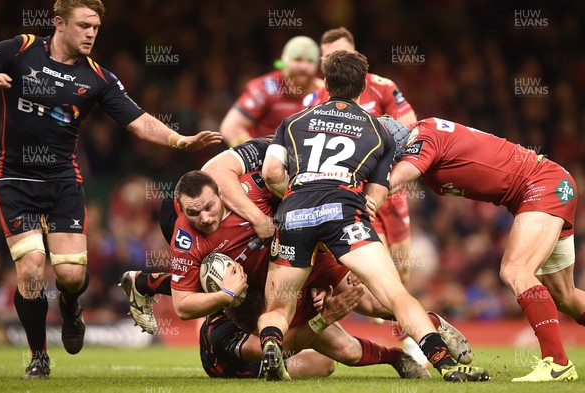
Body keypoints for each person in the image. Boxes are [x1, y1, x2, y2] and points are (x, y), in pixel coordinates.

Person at [0, 0, 221, 380]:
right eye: (84, 25)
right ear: (59, 23)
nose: (91, 33)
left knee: (69, 276)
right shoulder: (20, 48)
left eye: (96, 27)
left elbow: (139, 121)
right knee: (31, 269)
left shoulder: (97, 77)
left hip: (64, 182)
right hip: (15, 180)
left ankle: (70, 306)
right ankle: (39, 356)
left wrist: (180, 141)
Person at [259, 50, 489, 382]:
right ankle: (447, 366)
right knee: (396, 295)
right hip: (344, 215)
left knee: (279, 308)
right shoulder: (379, 131)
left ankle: (271, 346)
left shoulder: (292, 122)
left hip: (294, 214)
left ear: (325, 82)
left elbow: (270, 173)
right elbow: (377, 196)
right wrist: (359, 205)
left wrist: (294, 197)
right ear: (363, 85)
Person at [122, 168, 430, 379]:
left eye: (209, 208)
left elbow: (305, 210)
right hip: (238, 343)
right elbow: (290, 340)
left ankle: (143, 281)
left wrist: (329, 261)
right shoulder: (223, 330)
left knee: (371, 304)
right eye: (194, 213)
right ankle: (396, 357)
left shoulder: (250, 194)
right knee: (330, 361)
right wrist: (326, 316)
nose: (204, 217)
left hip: (264, 284)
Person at [383, 116, 585, 382]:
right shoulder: (426, 134)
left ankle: (558, 363)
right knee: (565, 295)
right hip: (548, 185)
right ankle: (557, 361)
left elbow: (397, 179)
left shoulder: (423, 138)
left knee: (515, 271)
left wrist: (346, 188)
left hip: (542, 186)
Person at [308, 26, 422, 363]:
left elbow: (410, 126)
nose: (333, 61)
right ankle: (413, 340)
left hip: (391, 191)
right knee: (379, 270)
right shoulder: (317, 100)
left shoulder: (383, 87)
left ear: (357, 57)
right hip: (356, 196)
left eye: (339, 54)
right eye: (327, 57)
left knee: (401, 270)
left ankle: (402, 324)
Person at [219, 36, 322, 147]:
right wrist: (257, 156)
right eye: (298, 60)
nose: (304, 67)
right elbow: (230, 128)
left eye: (310, 61)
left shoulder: (323, 91)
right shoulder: (265, 88)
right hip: (266, 158)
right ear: (285, 62)